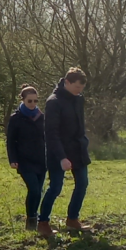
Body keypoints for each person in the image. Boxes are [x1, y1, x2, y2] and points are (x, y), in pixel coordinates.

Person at [43, 67, 91, 233]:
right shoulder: (53, 102)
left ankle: (72, 219)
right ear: (67, 82)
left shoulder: (79, 99)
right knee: (56, 187)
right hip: (59, 151)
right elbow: (51, 133)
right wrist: (62, 157)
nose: (79, 91)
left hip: (78, 149)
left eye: (82, 88)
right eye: (77, 87)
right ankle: (43, 222)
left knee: (83, 183)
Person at [6, 85, 53, 238]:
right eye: (29, 101)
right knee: (33, 189)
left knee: (39, 191)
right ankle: (31, 218)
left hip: (41, 159)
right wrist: (13, 159)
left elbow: (48, 138)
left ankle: (35, 217)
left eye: (35, 101)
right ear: (23, 100)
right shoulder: (16, 118)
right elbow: (11, 141)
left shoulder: (42, 117)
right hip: (24, 160)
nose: (33, 104)